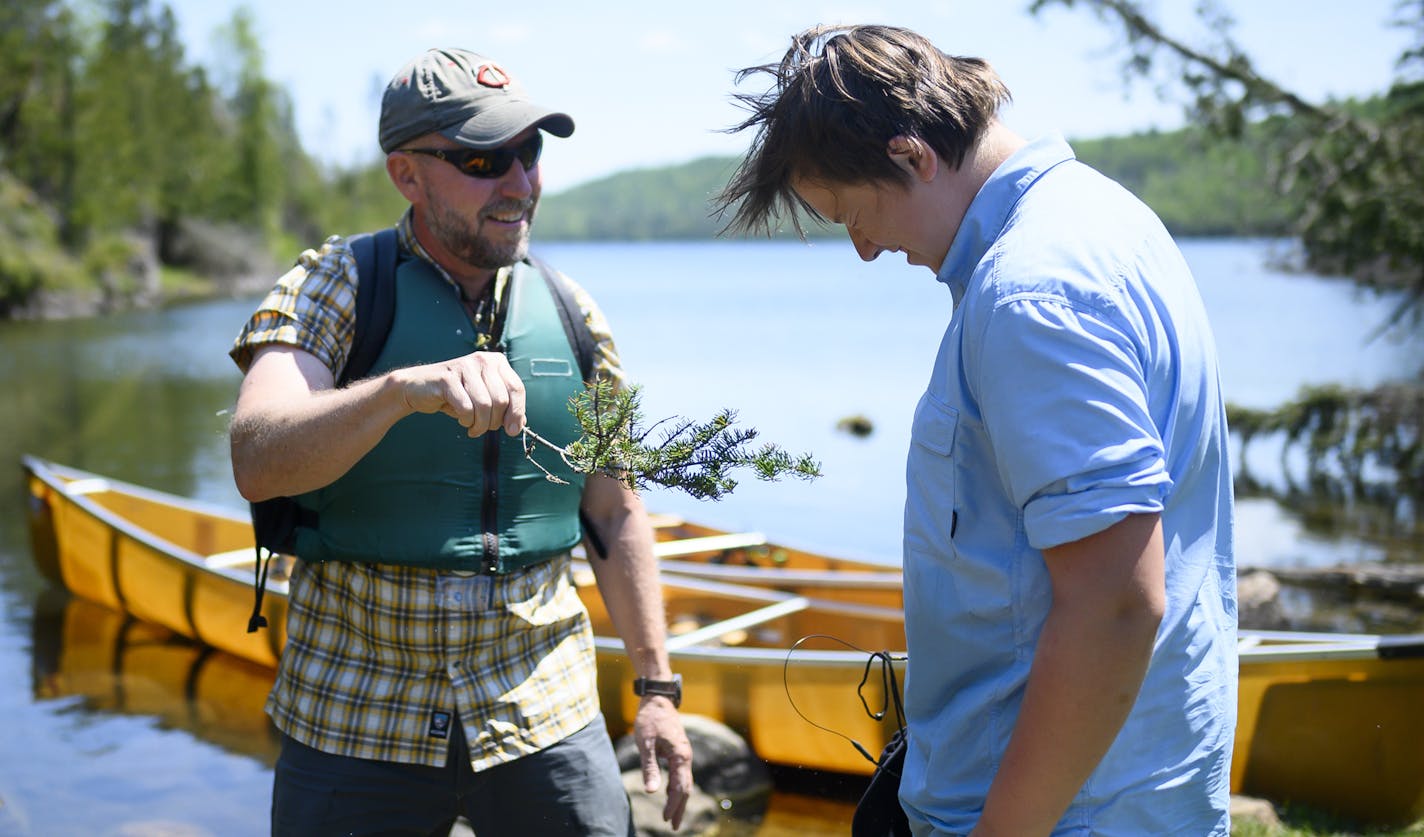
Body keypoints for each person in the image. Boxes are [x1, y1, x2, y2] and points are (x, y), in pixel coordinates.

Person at [716, 24, 1236, 837]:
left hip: (1063, 815)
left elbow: (1113, 603)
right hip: (1126, 793)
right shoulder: (1106, 216)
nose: (862, 249)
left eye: (851, 213)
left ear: (913, 156)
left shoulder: (1031, 294)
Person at [228, 47, 693, 836]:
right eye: (483, 160)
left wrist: (657, 692)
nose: (519, 183)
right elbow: (256, 456)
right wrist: (397, 392)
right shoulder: (332, 286)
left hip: (544, 708)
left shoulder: (576, 315)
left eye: (529, 152)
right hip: (355, 711)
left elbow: (615, 512)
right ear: (406, 175)